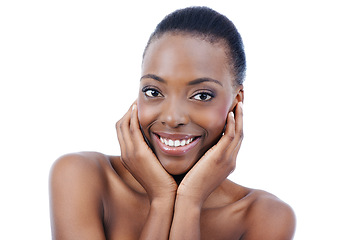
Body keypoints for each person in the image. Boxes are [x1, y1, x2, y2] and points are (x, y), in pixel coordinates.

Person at [49, 6, 296, 240]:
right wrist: (161, 199)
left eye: (202, 96)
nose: (172, 118)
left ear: (236, 102)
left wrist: (189, 201)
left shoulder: (263, 216)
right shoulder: (82, 176)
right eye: (154, 92)